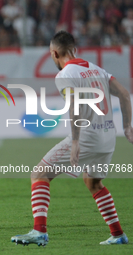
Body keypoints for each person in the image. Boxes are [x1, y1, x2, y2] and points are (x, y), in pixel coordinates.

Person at [11, 31, 131, 246]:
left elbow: (74, 105)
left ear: (55, 53)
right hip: (108, 137)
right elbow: (123, 94)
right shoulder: (97, 69)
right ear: (74, 48)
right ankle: (118, 234)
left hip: (87, 136)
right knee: (93, 182)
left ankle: (39, 231)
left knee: (39, 174)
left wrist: (75, 141)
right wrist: (128, 126)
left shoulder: (66, 74)